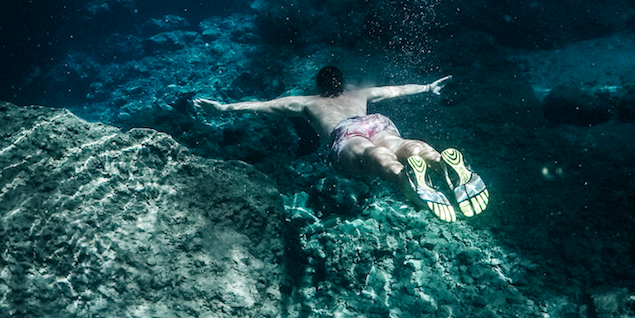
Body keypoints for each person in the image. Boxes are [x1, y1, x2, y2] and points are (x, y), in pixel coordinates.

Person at [194, 65, 489, 222]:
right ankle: (437, 159)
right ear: (342, 83)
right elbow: (396, 90)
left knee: (375, 158)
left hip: (345, 133)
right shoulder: (359, 93)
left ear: (319, 86)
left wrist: (223, 109)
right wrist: (427, 87)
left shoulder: (306, 101)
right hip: (375, 121)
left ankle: (408, 182)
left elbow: (262, 105)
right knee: (402, 144)